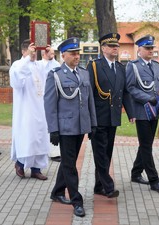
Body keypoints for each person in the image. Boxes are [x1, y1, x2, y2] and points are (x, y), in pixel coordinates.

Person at [44, 37, 97, 217]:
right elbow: (50, 104)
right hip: (65, 127)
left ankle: (57, 192)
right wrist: (54, 129)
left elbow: (90, 101)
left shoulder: (83, 73)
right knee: (70, 165)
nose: (77, 56)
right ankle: (77, 200)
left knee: (69, 163)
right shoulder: (55, 75)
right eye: (73, 53)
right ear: (64, 55)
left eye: (78, 53)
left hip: (81, 126)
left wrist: (93, 124)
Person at [87, 33, 135, 198]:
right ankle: (108, 186)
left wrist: (131, 113)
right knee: (100, 153)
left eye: (117, 46)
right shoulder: (94, 66)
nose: (116, 48)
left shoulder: (121, 68)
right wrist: (89, 119)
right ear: (103, 48)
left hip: (113, 117)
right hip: (98, 117)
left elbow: (126, 92)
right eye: (112, 46)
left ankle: (98, 186)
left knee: (106, 152)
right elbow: (89, 94)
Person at [125, 34, 159, 192]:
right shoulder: (132, 66)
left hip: (154, 110)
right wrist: (147, 98)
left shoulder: (156, 65)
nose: (150, 51)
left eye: (151, 48)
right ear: (139, 49)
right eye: (147, 48)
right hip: (142, 110)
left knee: (146, 144)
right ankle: (154, 179)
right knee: (147, 146)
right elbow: (130, 88)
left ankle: (136, 173)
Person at [9, 39, 50, 180]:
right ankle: (20, 164)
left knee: (39, 138)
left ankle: (36, 169)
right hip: (25, 110)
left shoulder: (39, 66)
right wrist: (27, 59)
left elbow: (52, 71)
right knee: (27, 138)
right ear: (23, 51)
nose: (33, 54)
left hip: (40, 109)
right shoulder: (18, 65)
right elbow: (17, 80)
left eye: (35, 51)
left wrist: (48, 54)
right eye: (30, 50)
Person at [40, 47, 61, 163]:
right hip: (39, 99)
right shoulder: (39, 65)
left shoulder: (56, 64)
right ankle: (42, 150)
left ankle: (54, 152)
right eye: (50, 52)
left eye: (53, 52)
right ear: (44, 53)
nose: (53, 54)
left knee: (53, 124)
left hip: (53, 97)